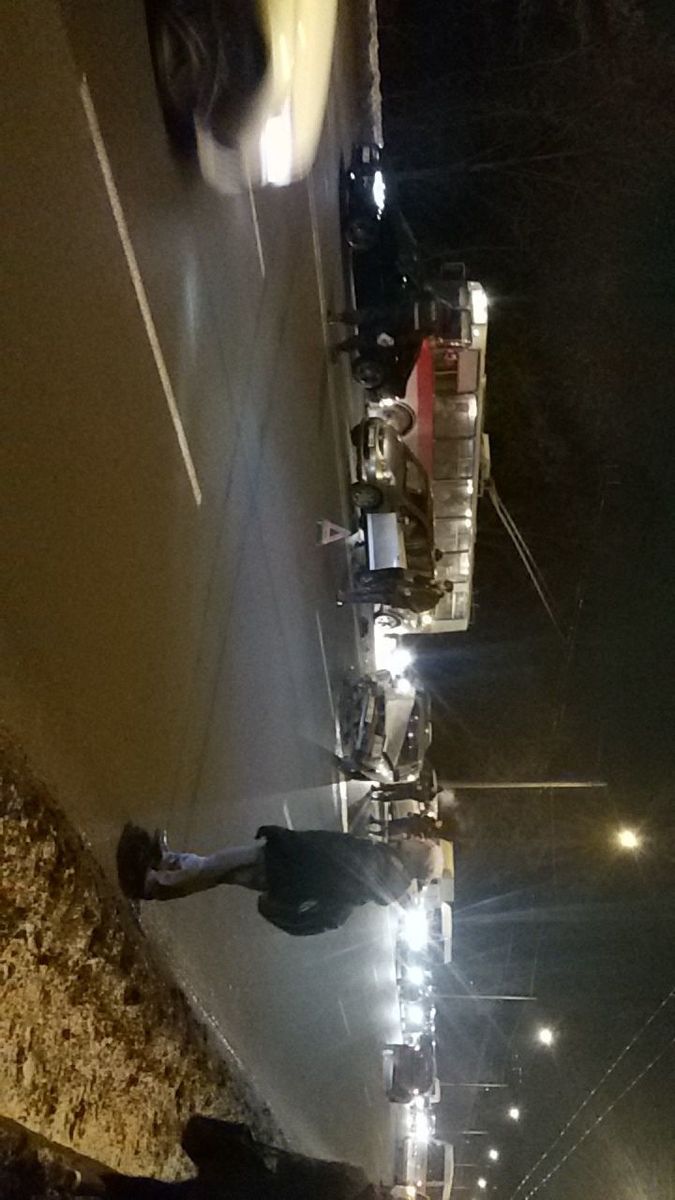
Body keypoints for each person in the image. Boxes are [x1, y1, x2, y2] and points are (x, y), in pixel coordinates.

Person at [116, 823, 444, 934]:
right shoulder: (381, 877)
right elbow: (334, 914)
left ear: (415, 858)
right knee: (217, 869)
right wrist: (281, 908)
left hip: (279, 863)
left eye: (421, 843)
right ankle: (167, 864)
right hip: (281, 875)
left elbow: (323, 850)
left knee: (215, 867)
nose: (416, 838)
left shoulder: (374, 865)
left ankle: (153, 883)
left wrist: (283, 836)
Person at [80, 1114, 387, 1200]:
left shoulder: (351, 1179)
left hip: (245, 1184)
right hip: (248, 1188)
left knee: (173, 1195)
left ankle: (95, 1183)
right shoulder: (348, 1182)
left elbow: (292, 1164)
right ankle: (91, 1185)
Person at [337, 569, 453, 615]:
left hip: (396, 598)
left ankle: (344, 598)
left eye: (444, 585)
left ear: (444, 590)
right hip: (396, 586)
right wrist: (428, 581)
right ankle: (346, 596)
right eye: (443, 581)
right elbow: (416, 578)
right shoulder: (430, 584)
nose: (441, 583)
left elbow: (417, 608)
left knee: (370, 597)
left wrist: (408, 597)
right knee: (370, 590)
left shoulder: (432, 601)